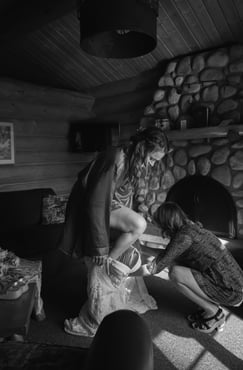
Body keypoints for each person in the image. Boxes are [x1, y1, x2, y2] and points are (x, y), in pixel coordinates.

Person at [59, 126, 171, 337]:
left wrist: (137, 211)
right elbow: (96, 201)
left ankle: (112, 271)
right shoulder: (115, 156)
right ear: (142, 147)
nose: (153, 163)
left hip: (111, 206)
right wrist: (100, 248)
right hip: (93, 206)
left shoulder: (133, 160)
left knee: (135, 240)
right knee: (139, 225)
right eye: (153, 158)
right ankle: (108, 261)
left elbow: (126, 193)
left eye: (157, 161)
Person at [136, 201, 243, 334]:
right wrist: (141, 248)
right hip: (234, 283)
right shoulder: (189, 226)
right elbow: (168, 255)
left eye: (157, 223)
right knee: (175, 264)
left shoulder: (183, 237)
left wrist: (126, 273)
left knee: (175, 273)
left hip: (230, 291)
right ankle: (209, 305)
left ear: (165, 223)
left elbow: (154, 267)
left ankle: (214, 312)